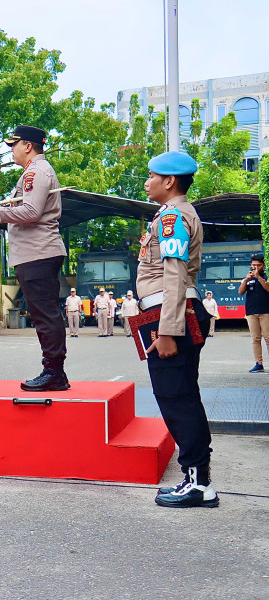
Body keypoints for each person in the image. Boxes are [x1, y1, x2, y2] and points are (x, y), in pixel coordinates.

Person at [137, 151, 216, 508]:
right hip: (172, 312)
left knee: (177, 398)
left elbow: (174, 274)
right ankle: (196, 479)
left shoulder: (173, 216)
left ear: (169, 181)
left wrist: (168, 329)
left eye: (152, 176)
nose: (147, 182)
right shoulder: (174, 213)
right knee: (180, 396)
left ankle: (198, 484)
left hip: (172, 314)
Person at [0, 125, 68, 392]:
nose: (11, 150)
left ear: (28, 146)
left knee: (46, 315)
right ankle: (54, 370)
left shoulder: (36, 171)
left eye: (13, 145)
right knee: (43, 315)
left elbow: (30, 211)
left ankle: (54, 372)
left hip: (38, 253)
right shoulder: (33, 171)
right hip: (34, 254)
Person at [238, 253, 269, 373]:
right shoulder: (248, 278)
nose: (256, 267)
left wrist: (259, 278)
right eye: (253, 265)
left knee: (268, 337)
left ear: (264, 265)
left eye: (258, 265)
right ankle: (258, 363)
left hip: (266, 311)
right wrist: (247, 279)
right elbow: (240, 292)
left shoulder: (266, 276)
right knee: (255, 338)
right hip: (251, 311)